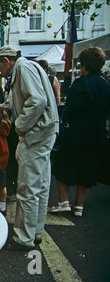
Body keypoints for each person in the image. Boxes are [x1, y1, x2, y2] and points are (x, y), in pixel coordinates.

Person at [0, 45, 58, 250]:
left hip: (36, 133)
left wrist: (20, 126)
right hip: (44, 132)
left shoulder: (23, 68)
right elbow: (16, 101)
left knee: (28, 187)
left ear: (5, 60)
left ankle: (24, 238)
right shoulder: (24, 68)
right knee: (39, 185)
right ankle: (35, 232)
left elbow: (37, 101)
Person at [49, 47, 110, 217]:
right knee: (87, 171)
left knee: (62, 168)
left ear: (84, 64)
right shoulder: (106, 85)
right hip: (96, 135)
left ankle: (63, 201)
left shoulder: (81, 83)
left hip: (76, 134)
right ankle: (79, 206)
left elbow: (72, 109)